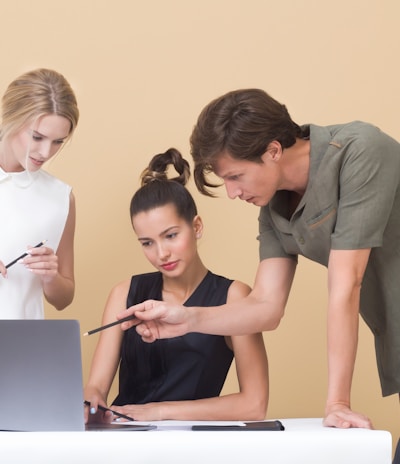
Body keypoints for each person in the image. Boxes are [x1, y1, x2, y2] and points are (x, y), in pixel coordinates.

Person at [119, 88, 400, 430]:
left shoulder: (361, 151)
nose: (233, 193)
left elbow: (346, 283)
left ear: (273, 150)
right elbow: (266, 307)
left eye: (235, 177)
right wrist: (186, 318)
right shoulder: (273, 206)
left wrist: (337, 403)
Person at [84, 148, 268, 423]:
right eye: (147, 243)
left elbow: (254, 405)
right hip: (124, 439)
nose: (161, 254)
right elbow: (96, 387)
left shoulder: (234, 297)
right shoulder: (124, 294)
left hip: (191, 444)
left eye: (170, 236)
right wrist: (90, 403)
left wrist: (160, 412)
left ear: (196, 227)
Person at [0, 68, 79, 318]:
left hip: (19, 348)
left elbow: (64, 299)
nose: (45, 152)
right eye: (37, 137)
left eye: (58, 142)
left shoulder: (59, 198)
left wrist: (51, 276)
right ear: (10, 117)